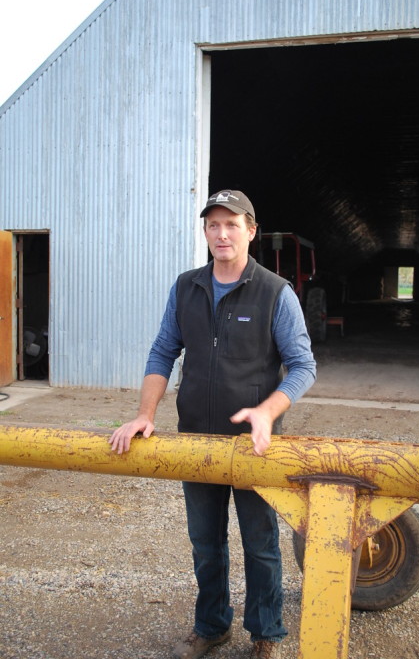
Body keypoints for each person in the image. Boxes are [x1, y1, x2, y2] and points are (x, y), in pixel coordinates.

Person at [109, 189, 316, 659]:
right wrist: (145, 414)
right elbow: (163, 350)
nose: (222, 234)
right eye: (213, 225)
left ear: (251, 231)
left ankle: (266, 634)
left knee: (261, 544)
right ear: (205, 232)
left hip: (254, 446)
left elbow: (303, 365)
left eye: (232, 224)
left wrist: (267, 411)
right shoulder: (186, 287)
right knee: (206, 543)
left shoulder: (275, 293)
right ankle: (212, 626)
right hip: (196, 442)